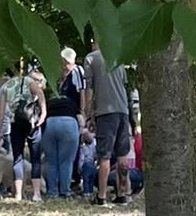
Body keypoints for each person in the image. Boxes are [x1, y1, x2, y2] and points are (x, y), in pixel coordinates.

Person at [83, 38, 131, 205]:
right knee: (122, 155)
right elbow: (123, 84)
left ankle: (101, 196)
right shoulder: (118, 57)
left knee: (104, 155)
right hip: (123, 110)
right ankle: (122, 194)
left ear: (94, 41)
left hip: (105, 112)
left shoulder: (91, 58)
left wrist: (89, 114)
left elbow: (89, 88)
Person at [44, 49, 82, 197]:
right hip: (69, 120)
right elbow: (83, 91)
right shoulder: (76, 74)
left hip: (50, 122)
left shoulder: (61, 81)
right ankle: (65, 191)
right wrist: (83, 112)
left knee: (51, 161)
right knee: (66, 161)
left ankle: (52, 191)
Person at [10, 64, 45, 200]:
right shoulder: (34, 87)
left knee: (18, 158)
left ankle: (18, 193)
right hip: (32, 123)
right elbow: (41, 95)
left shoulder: (14, 87)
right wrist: (43, 114)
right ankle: (36, 193)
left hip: (16, 122)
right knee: (35, 159)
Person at [78, 126, 98, 198]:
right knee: (91, 179)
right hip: (92, 164)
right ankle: (91, 191)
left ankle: (86, 192)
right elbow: (95, 155)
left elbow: (81, 158)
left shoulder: (83, 148)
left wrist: (80, 167)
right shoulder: (94, 146)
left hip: (86, 164)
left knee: (86, 179)